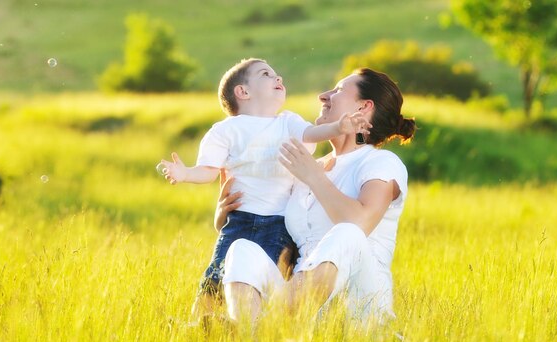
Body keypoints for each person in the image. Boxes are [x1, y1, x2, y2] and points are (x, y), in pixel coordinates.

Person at [157, 58, 371, 319]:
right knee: (217, 277)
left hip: (279, 225)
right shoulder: (225, 131)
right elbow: (209, 171)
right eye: (266, 74)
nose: (278, 77)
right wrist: (185, 173)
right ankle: (194, 326)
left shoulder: (287, 122)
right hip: (239, 222)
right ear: (243, 92)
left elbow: (314, 134)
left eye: (276, 73)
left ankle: (248, 328)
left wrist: (339, 127)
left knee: (264, 279)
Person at [219, 68, 416, 325]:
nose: (323, 96)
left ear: (364, 107)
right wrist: (223, 215)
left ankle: (262, 329)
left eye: (338, 90)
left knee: (348, 233)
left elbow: (360, 223)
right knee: (243, 249)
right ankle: (252, 334)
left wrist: (314, 176)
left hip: (359, 307)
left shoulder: (380, 162)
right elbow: (273, 235)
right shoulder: (307, 166)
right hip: (307, 311)